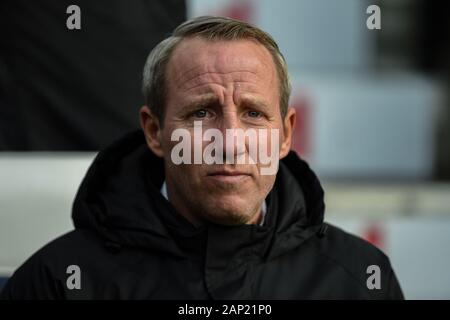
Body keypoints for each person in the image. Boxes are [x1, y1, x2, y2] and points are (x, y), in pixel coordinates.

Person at [1, 16, 404, 299]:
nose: (229, 141)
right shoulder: (59, 281)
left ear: (285, 134)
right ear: (155, 132)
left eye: (253, 113)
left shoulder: (359, 278)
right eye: (201, 113)